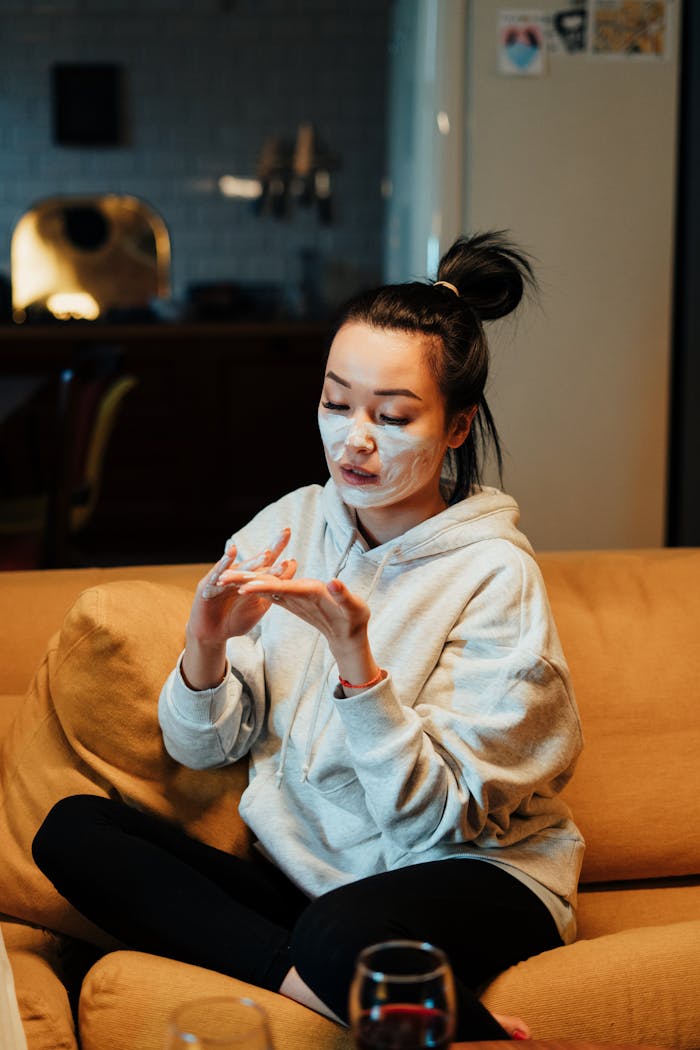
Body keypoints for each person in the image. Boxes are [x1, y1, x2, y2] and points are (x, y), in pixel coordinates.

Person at [33, 231, 584, 1042]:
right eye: (337, 402)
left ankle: (391, 998)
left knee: (340, 934)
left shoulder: (495, 575)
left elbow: (436, 824)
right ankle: (346, 991)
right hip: (313, 884)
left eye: (393, 415)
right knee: (72, 831)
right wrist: (206, 647)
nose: (356, 439)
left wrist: (357, 668)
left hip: (475, 875)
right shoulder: (289, 525)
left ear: (457, 426)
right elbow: (203, 750)